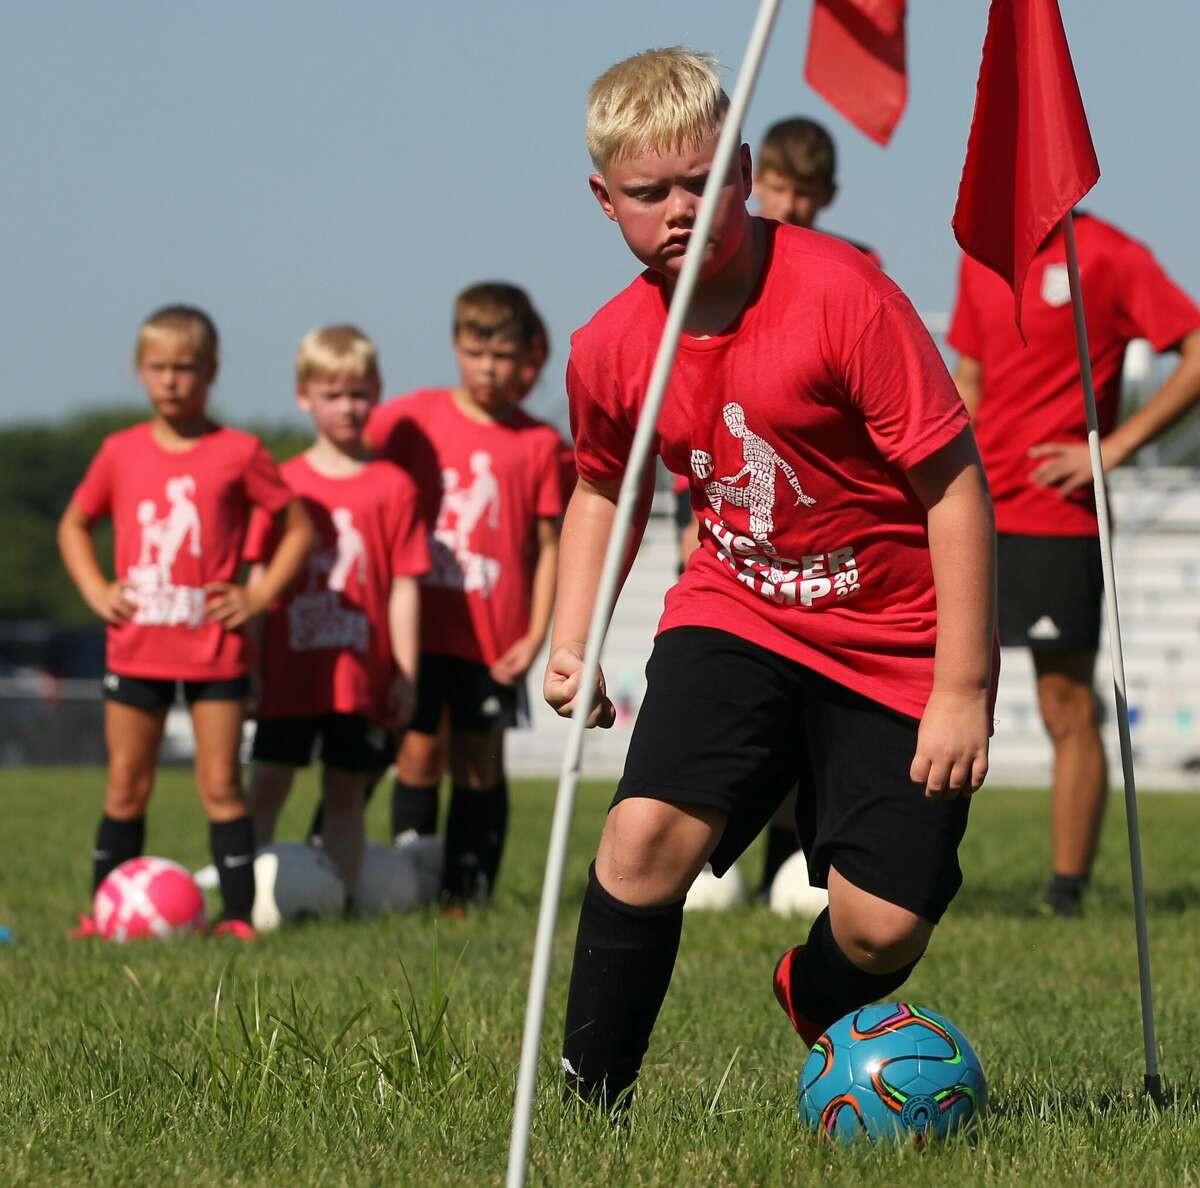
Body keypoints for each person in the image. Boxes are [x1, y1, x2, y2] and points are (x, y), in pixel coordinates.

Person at [546, 47, 996, 1108]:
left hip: (894, 641)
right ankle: (587, 1101)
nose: (682, 210)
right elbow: (603, 490)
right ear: (605, 200)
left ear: (746, 168)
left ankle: (814, 989)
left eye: (705, 181)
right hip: (738, 613)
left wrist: (962, 690)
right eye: (650, 193)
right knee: (642, 836)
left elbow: (956, 485)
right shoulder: (613, 347)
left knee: (880, 929)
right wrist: (576, 640)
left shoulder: (845, 297)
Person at [948, 212, 1200, 917]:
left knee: (1066, 706)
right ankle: (914, 881)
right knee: (934, 692)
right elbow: (970, 380)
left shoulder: (1113, 255)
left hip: (1059, 520)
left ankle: (1065, 896)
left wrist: (1111, 450)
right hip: (971, 512)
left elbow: (1197, 352)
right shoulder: (983, 256)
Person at [58, 304, 313, 940]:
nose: (172, 380)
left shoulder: (239, 451)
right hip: (137, 648)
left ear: (211, 371)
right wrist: (95, 589)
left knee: (222, 786)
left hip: (214, 654)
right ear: (140, 372)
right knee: (124, 787)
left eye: (186, 368)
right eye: (159, 368)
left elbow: (298, 528)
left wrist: (259, 599)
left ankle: (234, 918)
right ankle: (103, 914)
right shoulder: (120, 451)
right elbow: (74, 524)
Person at [369, 283, 563, 905]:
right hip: (419, 629)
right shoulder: (409, 419)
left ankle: (467, 893)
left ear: (525, 357)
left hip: (493, 638)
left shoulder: (538, 444)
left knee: (480, 761)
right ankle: (411, 877)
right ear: (455, 346)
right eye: (476, 352)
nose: (488, 368)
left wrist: (536, 637)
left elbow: (550, 546)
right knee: (418, 755)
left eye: (503, 355)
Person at [244, 326, 428, 904]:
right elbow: (256, 582)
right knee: (269, 782)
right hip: (290, 672)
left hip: (361, 676)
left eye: (359, 393)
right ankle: (243, 895)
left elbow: (403, 586)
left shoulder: (394, 486)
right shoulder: (282, 482)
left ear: (376, 393)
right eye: (333, 394)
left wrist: (405, 672)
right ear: (304, 396)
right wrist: (250, 665)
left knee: (347, 789)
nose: (348, 407)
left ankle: (341, 899)